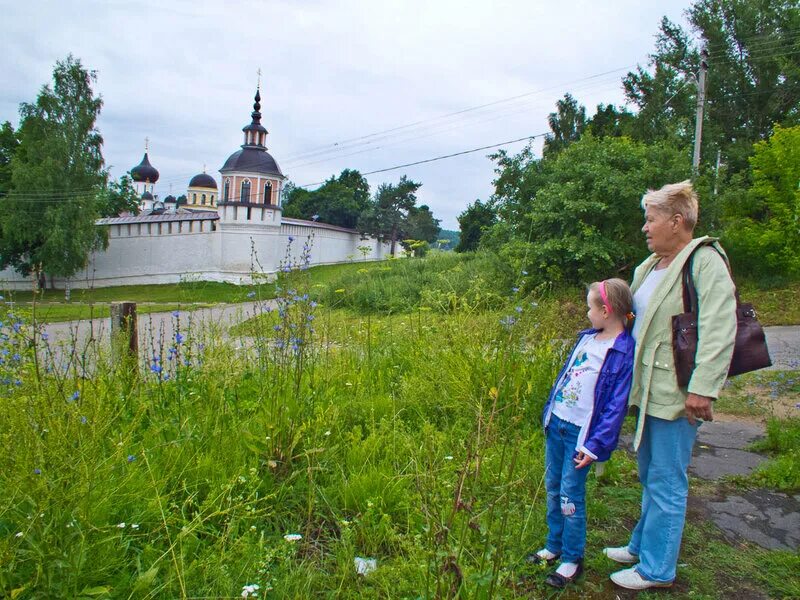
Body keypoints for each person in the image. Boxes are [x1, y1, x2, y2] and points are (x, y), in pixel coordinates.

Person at [604, 180, 737, 590]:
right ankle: (643, 545)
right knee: (650, 475)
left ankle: (657, 569)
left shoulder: (704, 260)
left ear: (677, 221)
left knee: (667, 479)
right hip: (646, 390)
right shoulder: (651, 266)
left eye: (651, 219)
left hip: (676, 392)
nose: (645, 227)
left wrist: (703, 388)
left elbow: (719, 326)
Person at [529, 278, 635, 589]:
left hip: (581, 434)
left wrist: (595, 445)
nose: (586, 313)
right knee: (552, 487)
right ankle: (554, 545)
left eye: (590, 307)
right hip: (558, 424)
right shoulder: (587, 339)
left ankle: (572, 559)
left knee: (570, 496)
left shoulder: (622, 350)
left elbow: (616, 405)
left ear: (606, 310)